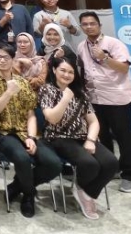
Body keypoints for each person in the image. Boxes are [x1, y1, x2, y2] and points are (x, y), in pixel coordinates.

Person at [0, 42, 61, 217]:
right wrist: (8, 92)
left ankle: (17, 186)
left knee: (53, 164)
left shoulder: (23, 82)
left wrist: (31, 137)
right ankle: (29, 196)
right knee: (22, 158)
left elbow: (31, 114)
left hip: (25, 132)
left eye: (6, 57)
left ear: (13, 59)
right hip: (1, 132)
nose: (2, 61)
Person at [39, 56, 118, 220]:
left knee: (111, 163)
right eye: (63, 70)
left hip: (82, 137)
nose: (66, 75)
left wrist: (90, 140)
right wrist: (65, 98)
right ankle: (85, 193)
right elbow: (52, 119)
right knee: (89, 164)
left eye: (71, 72)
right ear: (54, 70)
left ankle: (85, 191)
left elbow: (93, 122)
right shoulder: (47, 90)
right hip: (58, 137)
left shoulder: (81, 93)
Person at [77, 11, 131, 194]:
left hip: (118, 98)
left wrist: (104, 58)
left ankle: (129, 174)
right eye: (85, 24)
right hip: (95, 98)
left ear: (99, 25)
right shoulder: (81, 46)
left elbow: (124, 68)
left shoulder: (114, 43)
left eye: (92, 23)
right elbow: (83, 70)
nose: (89, 27)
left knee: (124, 138)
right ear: (81, 27)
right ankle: (112, 169)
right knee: (103, 137)